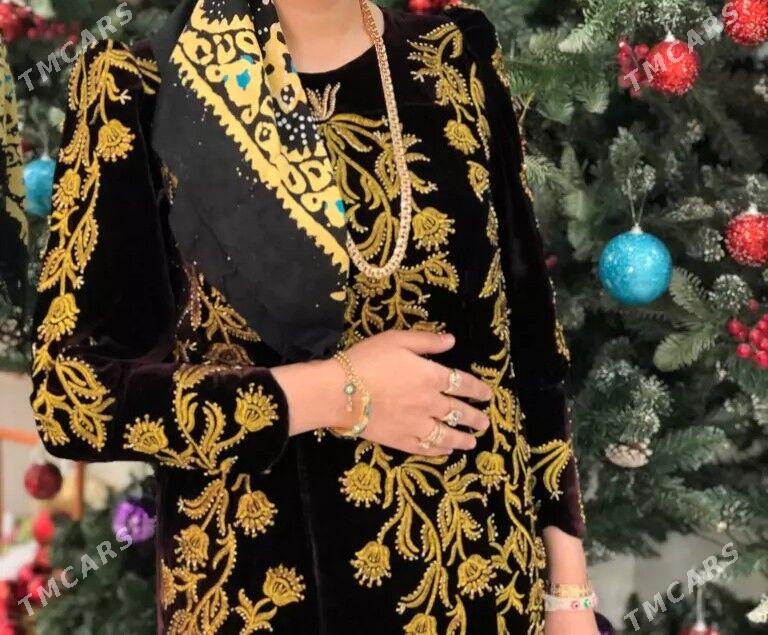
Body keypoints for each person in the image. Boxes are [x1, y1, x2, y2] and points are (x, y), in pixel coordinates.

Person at [30, 0, 597, 632]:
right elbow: (71, 399)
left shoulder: (454, 55)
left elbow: (529, 342)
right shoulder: (145, 86)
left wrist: (568, 591)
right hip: (264, 597)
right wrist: (335, 394)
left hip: (484, 590)